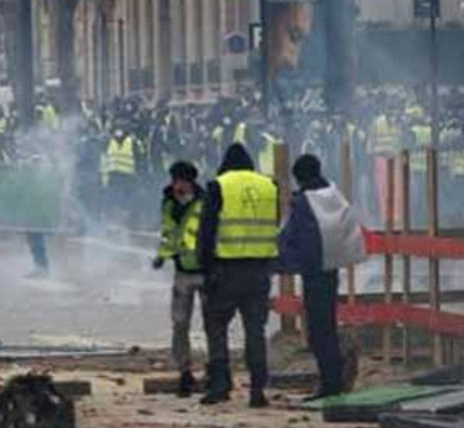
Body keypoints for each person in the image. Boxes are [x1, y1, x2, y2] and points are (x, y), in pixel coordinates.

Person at [197, 143, 279, 408]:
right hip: (259, 270)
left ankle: (221, 385)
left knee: (216, 327)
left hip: (226, 269)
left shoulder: (218, 185)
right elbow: (274, 224)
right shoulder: (270, 186)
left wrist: (204, 269)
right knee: (255, 330)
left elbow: (206, 232)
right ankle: (257, 390)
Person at [277, 154, 366, 400]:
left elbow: (291, 237)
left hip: (313, 271)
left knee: (318, 330)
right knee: (327, 323)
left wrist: (278, 261)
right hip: (331, 267)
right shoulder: (334, 195)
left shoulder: (303, 202)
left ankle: (330, 383)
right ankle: (334, 379)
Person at [153, 160, 205, 398]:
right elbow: (168, 232)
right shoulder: (169, 203)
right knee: (180, 323)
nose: (176, 185)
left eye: (180, 180)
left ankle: (215, 371)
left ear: (190, 181)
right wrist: (162, 256)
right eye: (174, 180)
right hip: (182, 271)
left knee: (212, 324)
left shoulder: (205, 201)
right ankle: (184, 372)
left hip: (205, 271)